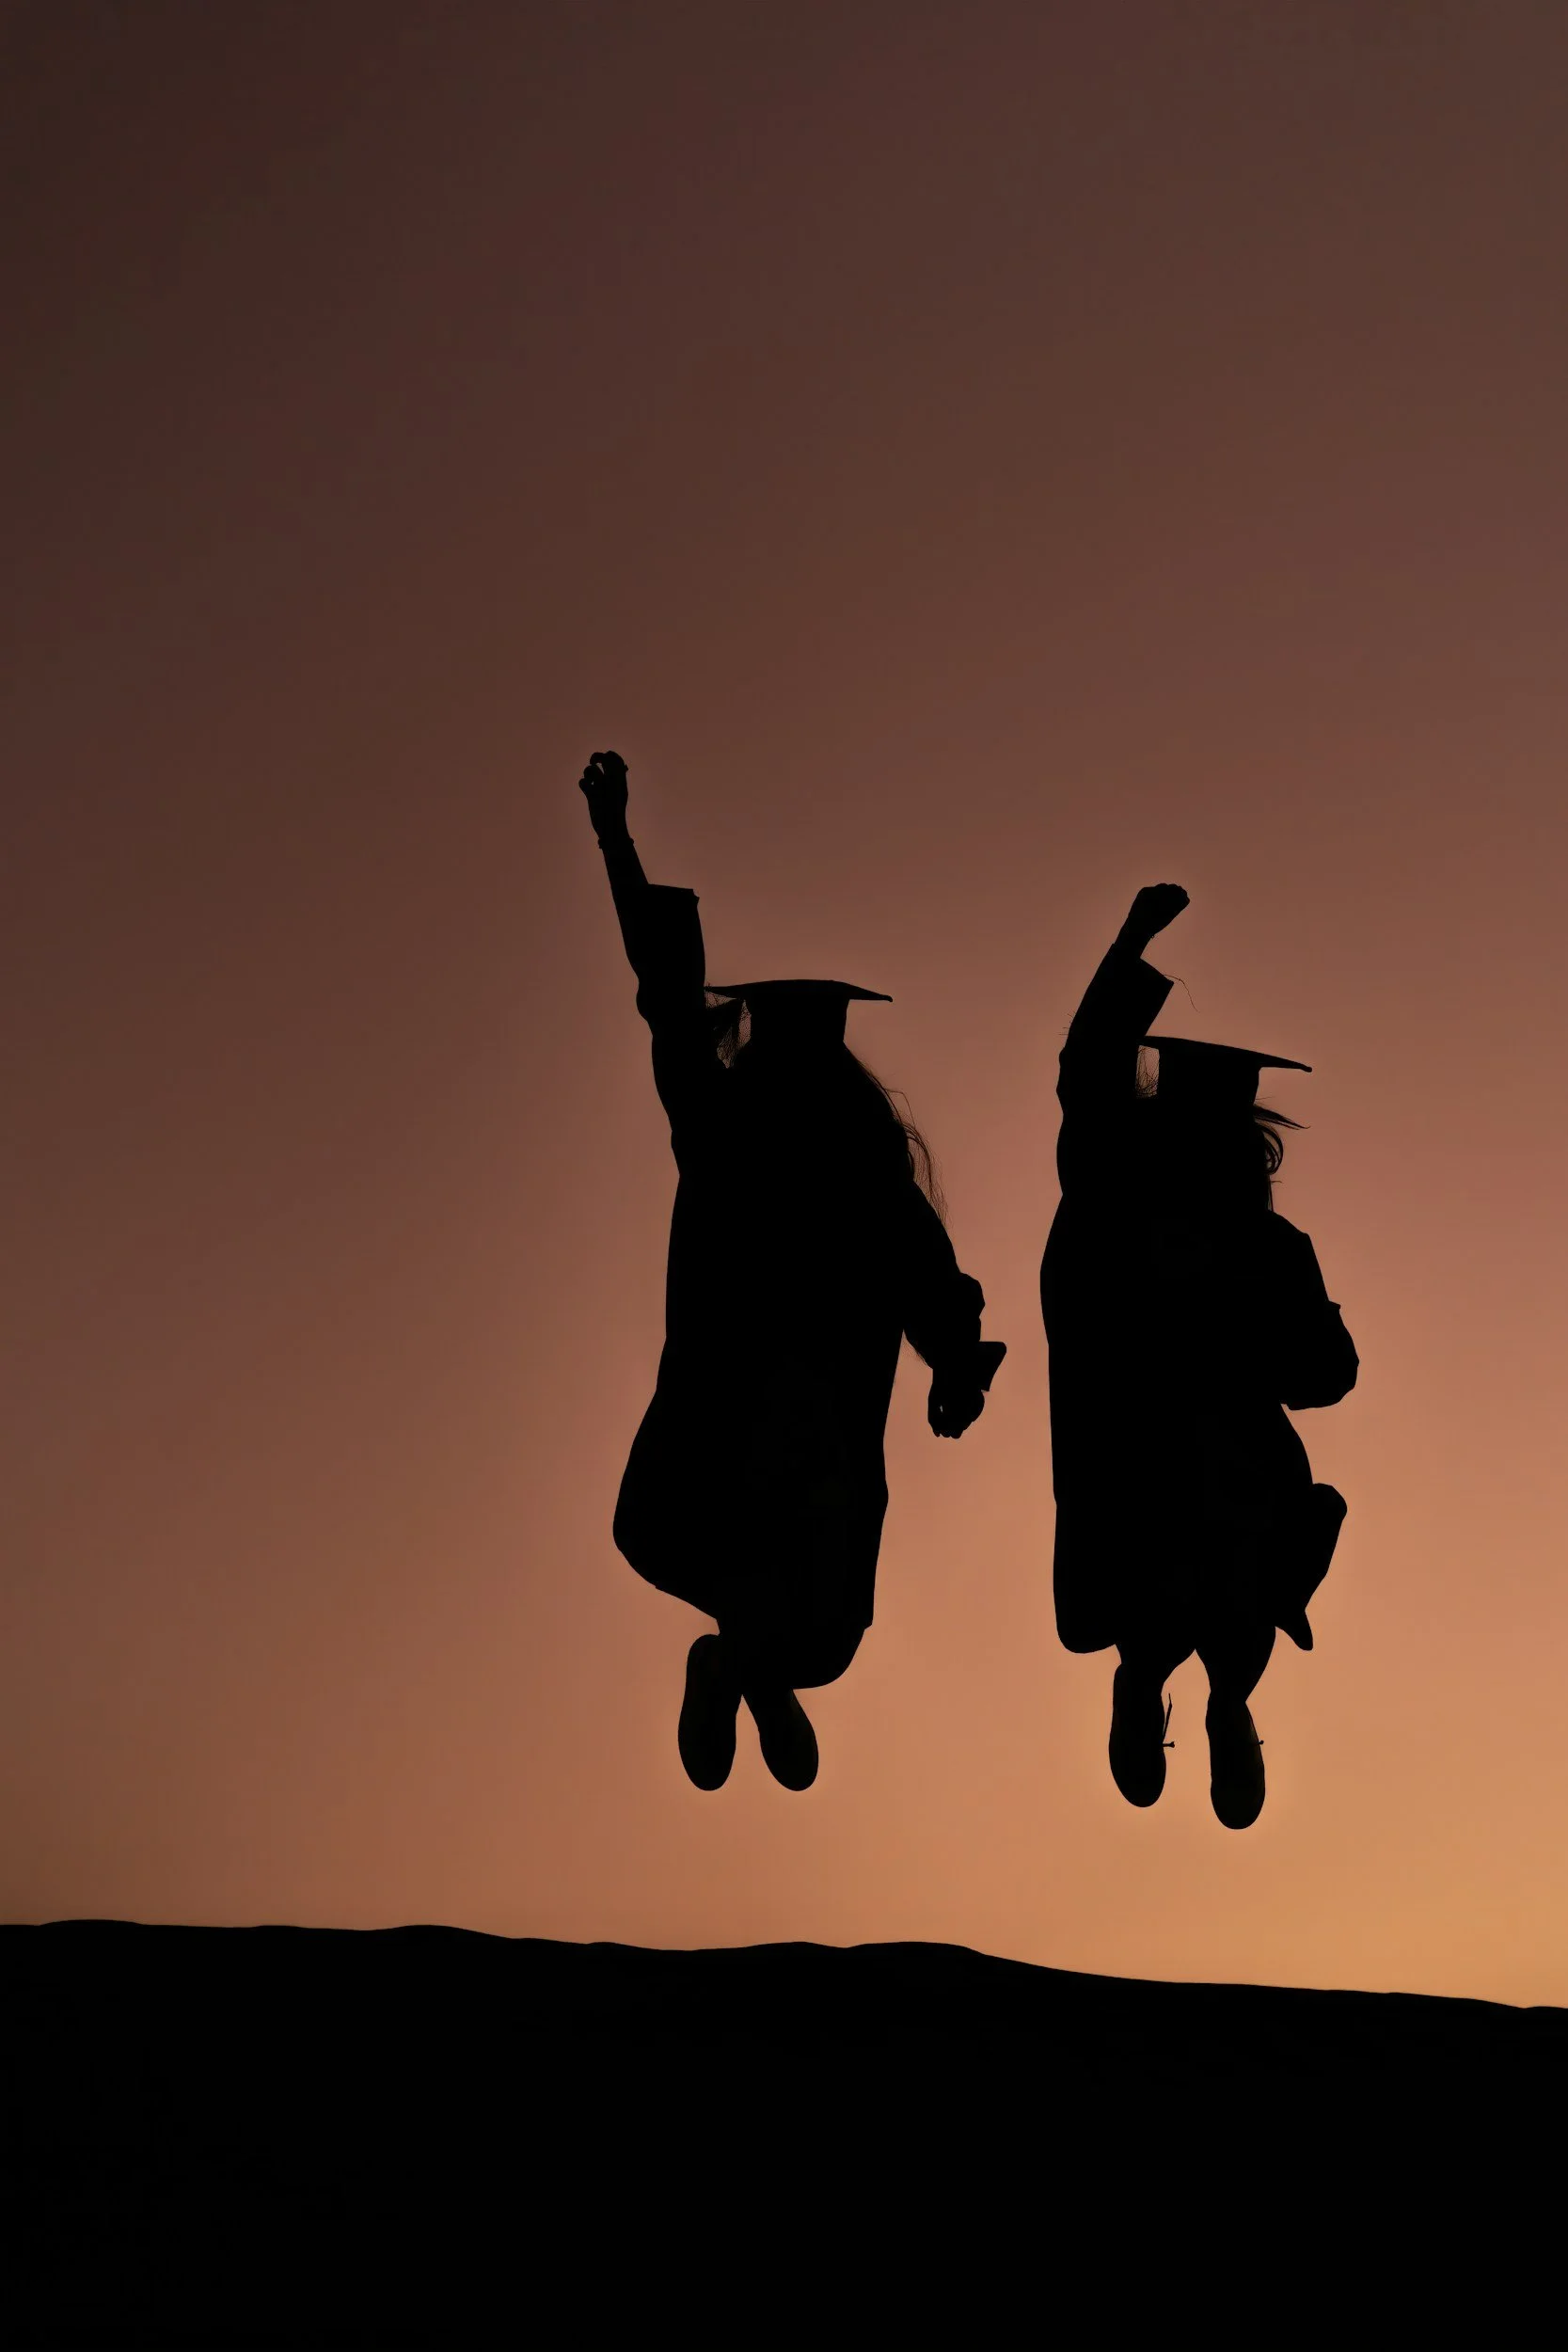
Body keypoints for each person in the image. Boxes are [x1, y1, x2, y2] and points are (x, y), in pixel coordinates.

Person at [579, 750, 1006, 1792]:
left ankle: (738, 1665)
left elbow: (670, 1007)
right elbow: (670, 1003)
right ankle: (744, 1668)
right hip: (778, 1437)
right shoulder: (793, 1150)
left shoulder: (775, 1143)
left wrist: (955, 1364)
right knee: (808, 1622)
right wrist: (616, 844)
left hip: (766, 1434)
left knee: (793, 1616)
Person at [1041, 884, 1357, 1829]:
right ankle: (1212, 1703)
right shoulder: (1263, 1243)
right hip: (1217, 1469)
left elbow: (1086, 1070)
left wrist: (1132, 941)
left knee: (1173, 1601)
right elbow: (1326, 1374)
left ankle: (1166, 1696)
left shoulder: (1117, 1201)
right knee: (1231, 1598)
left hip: (1138, 1461)